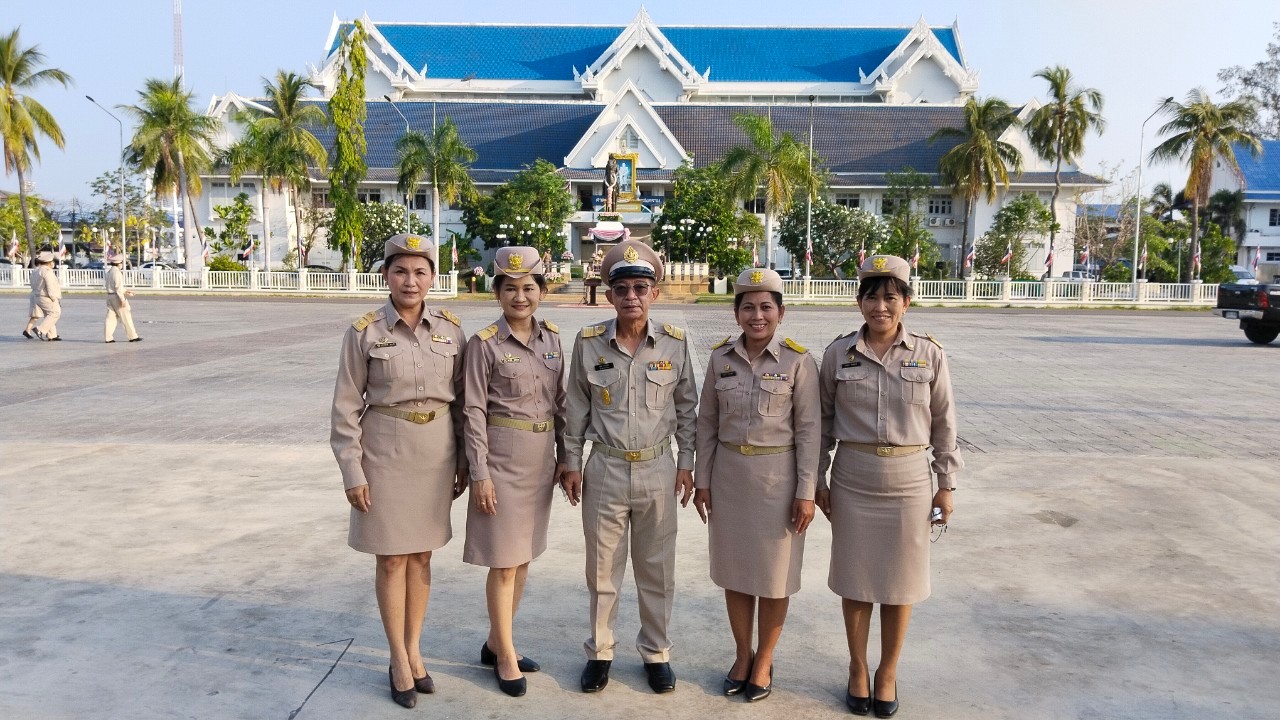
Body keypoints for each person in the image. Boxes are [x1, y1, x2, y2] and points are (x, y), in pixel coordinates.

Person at [816, 255, 961, 718]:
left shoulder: (929, 354)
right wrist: (816, 479)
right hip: (853, 478)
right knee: (856, 580)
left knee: (901, 583)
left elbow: (944, 423)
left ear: (907, 303)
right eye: (872, 297)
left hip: (909, 480)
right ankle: (858, 668)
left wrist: (946, 485)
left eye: (890, 297)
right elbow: (821, 424)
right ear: (858, 302)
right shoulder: (838, 354)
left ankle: (888, 672)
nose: (881, 306)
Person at [330, 233, 468, 709]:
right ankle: (397, 658)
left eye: (420, 271)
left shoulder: (451, 329)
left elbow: (464, 401)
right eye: (401, 271)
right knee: (391, 558)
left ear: (433, 277)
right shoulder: (364, 332)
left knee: (422, 556)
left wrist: (464, 461)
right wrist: (352, 471)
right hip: (384, 454)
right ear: (386, 275)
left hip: (436, 453)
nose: (411, 281)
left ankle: (414, 648)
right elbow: (346, 407)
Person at [560, 239, 698, 694]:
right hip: (606, 467)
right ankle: (600, 651)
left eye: (641, 288)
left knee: (657, 570)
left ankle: (656, 652)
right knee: (603, 570)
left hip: (659, 468)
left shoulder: (674, 343)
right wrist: (571, 463)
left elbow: (687, 408)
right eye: (622, 289)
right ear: (610, 295)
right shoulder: (588, 344)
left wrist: (687, 463)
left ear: (654, 293)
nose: (632, 296)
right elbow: (575, 408)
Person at [692, 267, 819, 703]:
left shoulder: (798, 361)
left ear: (781, 313)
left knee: (775, 576)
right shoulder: (720, 359)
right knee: (736, 572)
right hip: (729, 478)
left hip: (778, 482)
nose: (757, 315)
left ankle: (764, 659)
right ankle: (742, 654)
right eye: (748, 307)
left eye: (766, 307)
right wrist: (703, 480)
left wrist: (806, 491)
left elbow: (810, 433)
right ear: (736, 313)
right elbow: (706, 423)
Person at [462, 246, 567, 698]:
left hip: (540, 460)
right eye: (510, 288)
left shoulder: (553, 339)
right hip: (501, 462)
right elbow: (472, 410)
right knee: (504, 562)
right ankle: (505, 655)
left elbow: (562, 404)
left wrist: (567, 458)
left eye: (528, 287)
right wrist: (480, 473)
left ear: (542, 291)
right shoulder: (484, 344)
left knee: (523, 556)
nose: (520, 297)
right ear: (497, 293)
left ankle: (495, 642)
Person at [104, 252, 142, 343]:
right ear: (119, 264)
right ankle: (132, 336)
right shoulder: (117, 273)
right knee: (126, 316)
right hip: (117, 297)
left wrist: (126, 291)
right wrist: (122, 299)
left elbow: (113, 286)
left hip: (110, 296)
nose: (122, 265)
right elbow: (118, 287)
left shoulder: (109, 272)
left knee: (110, 318)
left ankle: (108, 338)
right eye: (121, 263)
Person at [32, 250, 62, 341]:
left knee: (48, 315)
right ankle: (40, 329)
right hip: (47, 296)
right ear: (49, 263)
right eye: (52, 262)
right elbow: (50, 286)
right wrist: (53, 298)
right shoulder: (47, 272)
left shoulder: (36, 271)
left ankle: (52, 335)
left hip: (38, 296)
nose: (53, 263)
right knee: (55, 313)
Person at [22, 254, 44, 339]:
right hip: (40, 294)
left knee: (37, 314)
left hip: (34, 293)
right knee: (46, 314)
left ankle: (28, 329)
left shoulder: (33, 272)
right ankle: (45, 331)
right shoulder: (41, 272)